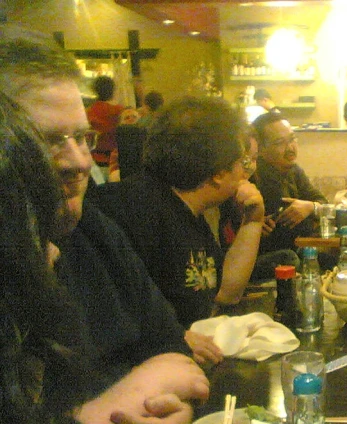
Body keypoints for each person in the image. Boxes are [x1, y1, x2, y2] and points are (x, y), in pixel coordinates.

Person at [0, 37, 209, 424]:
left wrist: (175, 419)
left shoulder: (96, 233)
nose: (78, 161)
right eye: (48, 142)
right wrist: (129, 400)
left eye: (81, 137)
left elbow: (177, 356)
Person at [95, 96, 265, 333]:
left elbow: (227, 293)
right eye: (241, 162)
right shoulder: (126, 210)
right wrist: (173, 339)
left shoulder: (190, 213)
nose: (244, 173)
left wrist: (253, 221)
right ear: (219, 171)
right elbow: (106, 317)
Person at [251, 111, 326, 280]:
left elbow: (322, 201)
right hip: (262, 258)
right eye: (280, 143)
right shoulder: (253, 176)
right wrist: (252, 225)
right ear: (260, 149)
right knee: (290, 258)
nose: (291, 148)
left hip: (295, 249)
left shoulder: (293, 171)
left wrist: (310, 207)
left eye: (292, 139)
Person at [85, 74, 124, 169]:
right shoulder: (120, 111)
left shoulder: (89, 111)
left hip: (95, 159)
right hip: (116, 160)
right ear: (112, 90)